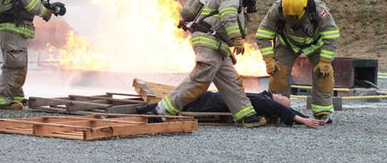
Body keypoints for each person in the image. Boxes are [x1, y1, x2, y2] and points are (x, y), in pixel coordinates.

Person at [153, 0, 268, 127]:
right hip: (208, 41)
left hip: (217, 45)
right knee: (200, 80)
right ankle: (162, 110)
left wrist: (228, 47)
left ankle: (246, 115)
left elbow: (221, 24)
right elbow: (227, 16)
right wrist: (236, 38)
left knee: (231, 82)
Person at [255, 0, 340, 123]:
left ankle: (322, 112)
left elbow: (332, 34)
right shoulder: (276, 10)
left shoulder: (319, 10)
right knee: (278, 74)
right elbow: (263, 34)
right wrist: (269, 60)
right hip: (287, 44)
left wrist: (325, 61)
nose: (292, 20)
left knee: (324, 74)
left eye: (295, 18)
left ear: (305, 9)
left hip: (315, 45)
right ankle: (278, 110)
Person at [138, 91, 324, 128]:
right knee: (176, 102)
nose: (286, 98)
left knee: (177, 103)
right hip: (209, 99)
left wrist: (305, 119)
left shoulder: (262, 102)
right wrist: (304, 118)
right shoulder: (262, 98)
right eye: (286, 98)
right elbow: (281, 109)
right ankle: (141, 110)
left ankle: (140, 110)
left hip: (208, 102)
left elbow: (279, 109)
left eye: (286, 100)